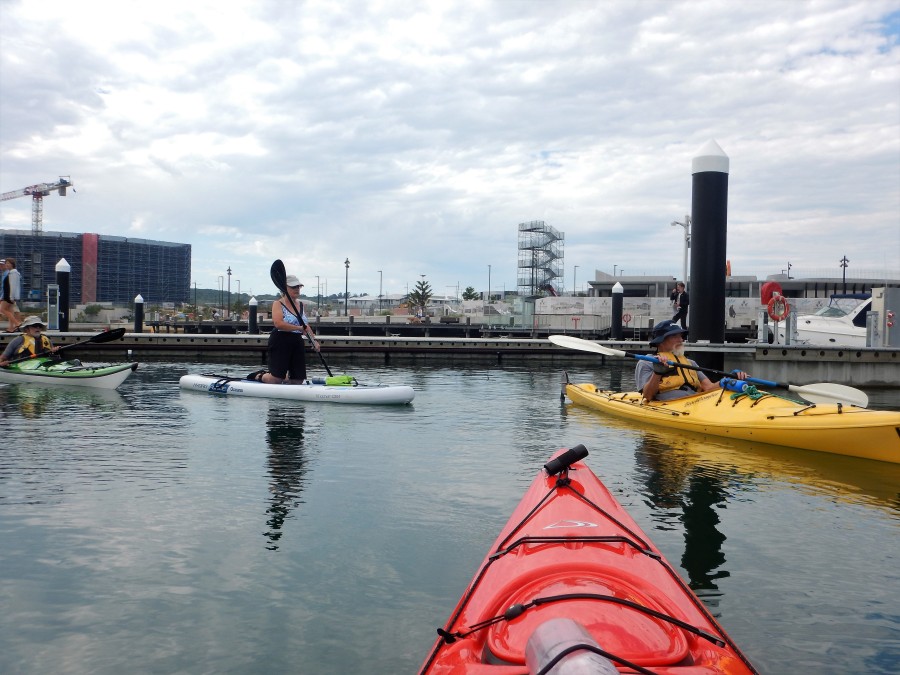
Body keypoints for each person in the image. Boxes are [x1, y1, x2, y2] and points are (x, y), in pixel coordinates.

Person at [636, 320, 746, 401]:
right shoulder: (647, 362)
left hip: (694, 401)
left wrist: (729, 380)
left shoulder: (690, 363)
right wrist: (658, 372)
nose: (681, 339)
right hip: (669, 405)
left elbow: (709, 388)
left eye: (681, 336)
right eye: (674, 336)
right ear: (660, 341)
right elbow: (648, 396)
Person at [261, 274, 320, 384]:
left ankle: (286, 379)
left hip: (296, 340)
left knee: (298, 380)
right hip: (280, 339)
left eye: (298, 287)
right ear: (284, 288)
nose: (297, 289)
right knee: (276, 379)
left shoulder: (301, 305)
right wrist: (298, 328)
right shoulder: (278, 304)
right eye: (293, 287)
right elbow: (278, 324)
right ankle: (259, 375)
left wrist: (314, 341)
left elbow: (305, 326)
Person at [1, 257, 22, 332]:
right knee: (10, 311)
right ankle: (11, 328)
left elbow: (13, 286)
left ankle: (17, 323)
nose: (7, 265)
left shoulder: (13, 273)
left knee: (2, 309)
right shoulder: (10, 273)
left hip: (8, 295)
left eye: (8, 263)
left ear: (12, 264)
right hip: (8, 295)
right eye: (6, 263)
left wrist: (11, 297)